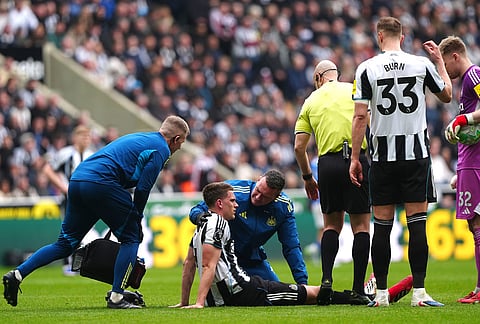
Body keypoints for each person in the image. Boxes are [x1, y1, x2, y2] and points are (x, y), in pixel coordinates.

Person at [2, 115, 190, 309]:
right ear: (175, 139)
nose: (179, 148)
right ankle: (117, 297)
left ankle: (17, 274)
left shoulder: (142, 138)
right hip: (101, 184)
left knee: (65, 244)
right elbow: (142, 189)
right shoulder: (160, 149)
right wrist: (136, 217)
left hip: (78, 181)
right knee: (131, 238)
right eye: (181, 143)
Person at [173, 182, 413, 308]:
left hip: (246, 283)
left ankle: (363, 296)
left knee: (302, 292)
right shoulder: (218, 220)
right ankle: (363, 296)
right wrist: (197, 304)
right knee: (308, 295)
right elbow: (206, 265)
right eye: (232, 201)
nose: (239, 204)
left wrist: (189, 302)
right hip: (245, 289)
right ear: (219, 203)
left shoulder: (201, 227)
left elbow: (189, 264)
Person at [349, 17, 452, 307]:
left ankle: (381, 295)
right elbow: (446, 94)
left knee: (381, 227)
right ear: (403, 36)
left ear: (379, 35)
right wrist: (439, 61)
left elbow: (359, 116)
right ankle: (419, 293)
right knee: (417, 225)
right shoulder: (421, 64)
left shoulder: (366, 68)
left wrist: (356, 158)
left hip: (382, 158)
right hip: (416, 156)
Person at [294, 59, 371, 305]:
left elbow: (299, 147)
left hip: (327, 165)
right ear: (335, 75)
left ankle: (326, 281)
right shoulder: (353, 89)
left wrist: (308, 177)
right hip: (355, 159)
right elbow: (370, 122)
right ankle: (358, 288)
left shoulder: (310, 101)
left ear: (318, 78)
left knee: (331, 226)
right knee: (361, 227)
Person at [189, 169, 308, 285]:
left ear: (276, 197)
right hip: (223, 259)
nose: (257, 197)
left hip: (252, 259)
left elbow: (291, 246)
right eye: (258, 190)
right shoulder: (232, 191)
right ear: (259, 179)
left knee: (274, 293)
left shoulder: (283, 207)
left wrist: (302, 282)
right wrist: (200, 217)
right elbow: (197, 210)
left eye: (265, 197)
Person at [438, 36, 480, 304]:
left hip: (474, 163)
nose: (446, 72)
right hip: (469, 163)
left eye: (445, 64)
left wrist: (463, 118)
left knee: (477, 226)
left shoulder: (473, 75)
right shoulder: (467, 80)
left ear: (455, 56)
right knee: (474, 226)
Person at [42, 125, 98, 276]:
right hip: (70, 198)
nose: (86, 139)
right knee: (69, 230)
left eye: (88, 136)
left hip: (87, 199)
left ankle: (79, 263)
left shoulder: (92, 154)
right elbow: (48, 170)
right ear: (75, 137)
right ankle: (67, 263)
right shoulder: (65, 153)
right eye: (82, 136)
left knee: (84, 230)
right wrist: (63, 187)